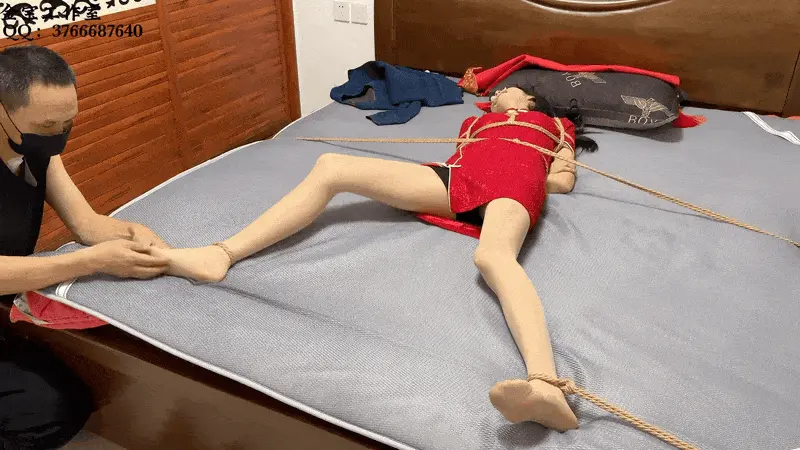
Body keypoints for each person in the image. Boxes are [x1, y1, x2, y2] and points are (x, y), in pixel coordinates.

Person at [149, 87, 598, 432]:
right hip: (458, 178)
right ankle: (220, 253)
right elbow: (460, 157)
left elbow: (561, 181)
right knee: (332, 165)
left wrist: (534, 163)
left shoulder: (554, 125)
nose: (495, 95)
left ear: (531, 98)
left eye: (504, 90)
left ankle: (546, 386)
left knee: (493, 255)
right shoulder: (474, 123)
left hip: (515, 179)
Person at [0, 45, 171, 449]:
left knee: (76, 394)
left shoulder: (37, 150)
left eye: (67, 124)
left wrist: (133, 233)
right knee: (47, 413)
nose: (57, 137)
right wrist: (91, 262)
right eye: (47, 126)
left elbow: (86, 224)